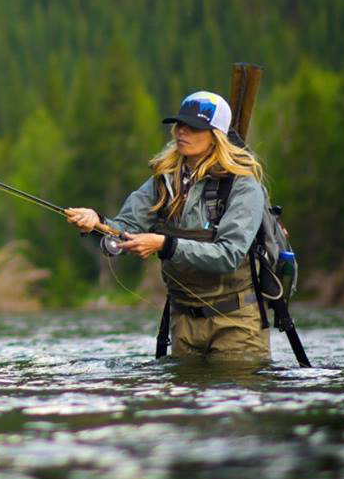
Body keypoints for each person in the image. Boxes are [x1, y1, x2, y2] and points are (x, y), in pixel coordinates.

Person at [62, 90, 270, 361]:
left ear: (216, 135)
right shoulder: (163, 182)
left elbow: (229, 255)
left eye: (194, 127)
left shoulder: (243, 187)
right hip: (183, 321)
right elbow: (124, 228)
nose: (182, 131)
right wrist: (96, 224)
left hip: (237, 321)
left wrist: (164, 244)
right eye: (180, 124)